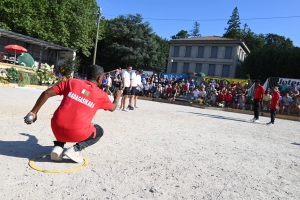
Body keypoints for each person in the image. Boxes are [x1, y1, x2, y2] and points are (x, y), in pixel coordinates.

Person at [24, 65, 122, 163]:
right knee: (99, 131)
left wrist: (34, 112)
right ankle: (75, 150)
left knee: (66, 119)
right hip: (76, 132)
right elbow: (112, 108)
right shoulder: (101, 95)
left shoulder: (72, 82)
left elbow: (46, 93)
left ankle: (58, 147)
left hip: (56, 127)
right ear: (99, 78)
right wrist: (117, 97)